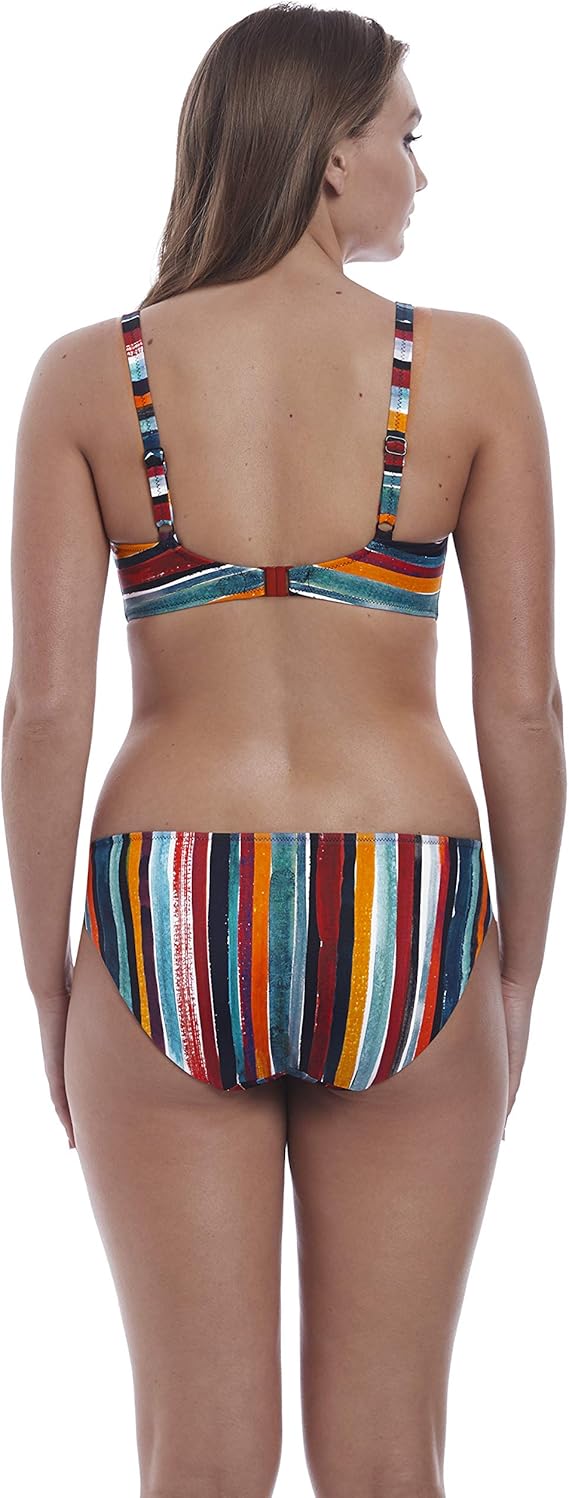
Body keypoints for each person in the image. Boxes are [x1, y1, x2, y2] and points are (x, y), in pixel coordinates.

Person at [2, 7, 565, 1497]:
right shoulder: (468, 368)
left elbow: (44, 711)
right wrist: (514, 975)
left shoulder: (89, 375)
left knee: (199, 1461)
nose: (420, 172)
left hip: (165, 904)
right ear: (328, 156)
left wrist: (53, 983)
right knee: (387, 1461)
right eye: (406, 136)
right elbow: (523, 708)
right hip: (408, 899)